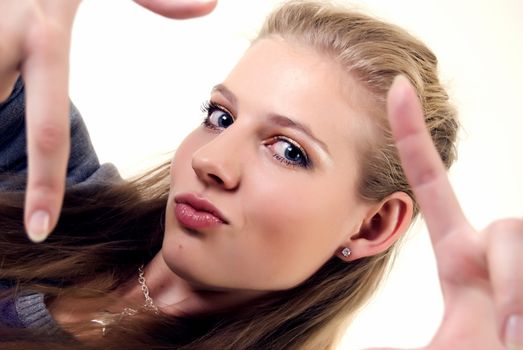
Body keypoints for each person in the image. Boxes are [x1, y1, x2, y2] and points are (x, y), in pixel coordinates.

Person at [0, 1, 521, 349]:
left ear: (372, 227)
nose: (211, 161)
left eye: (289, 151)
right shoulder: (60, 200)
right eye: (220, 117)